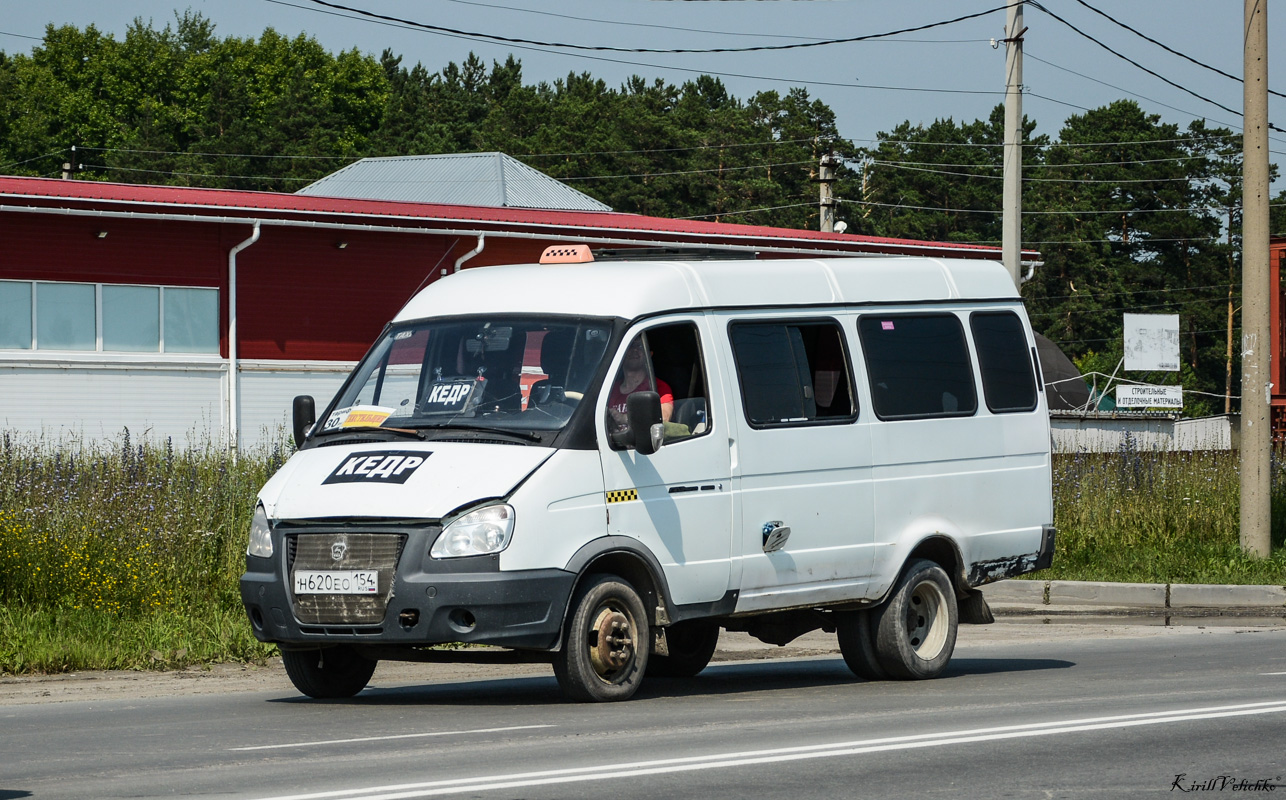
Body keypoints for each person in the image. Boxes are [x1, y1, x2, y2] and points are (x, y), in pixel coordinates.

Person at [606, 336, 673, 428]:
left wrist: (624, 418)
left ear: (650, 354)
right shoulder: (608, 390)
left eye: (640, 347)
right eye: (630, 346)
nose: (635, 350)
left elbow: (664, 419)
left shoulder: (658, 388)